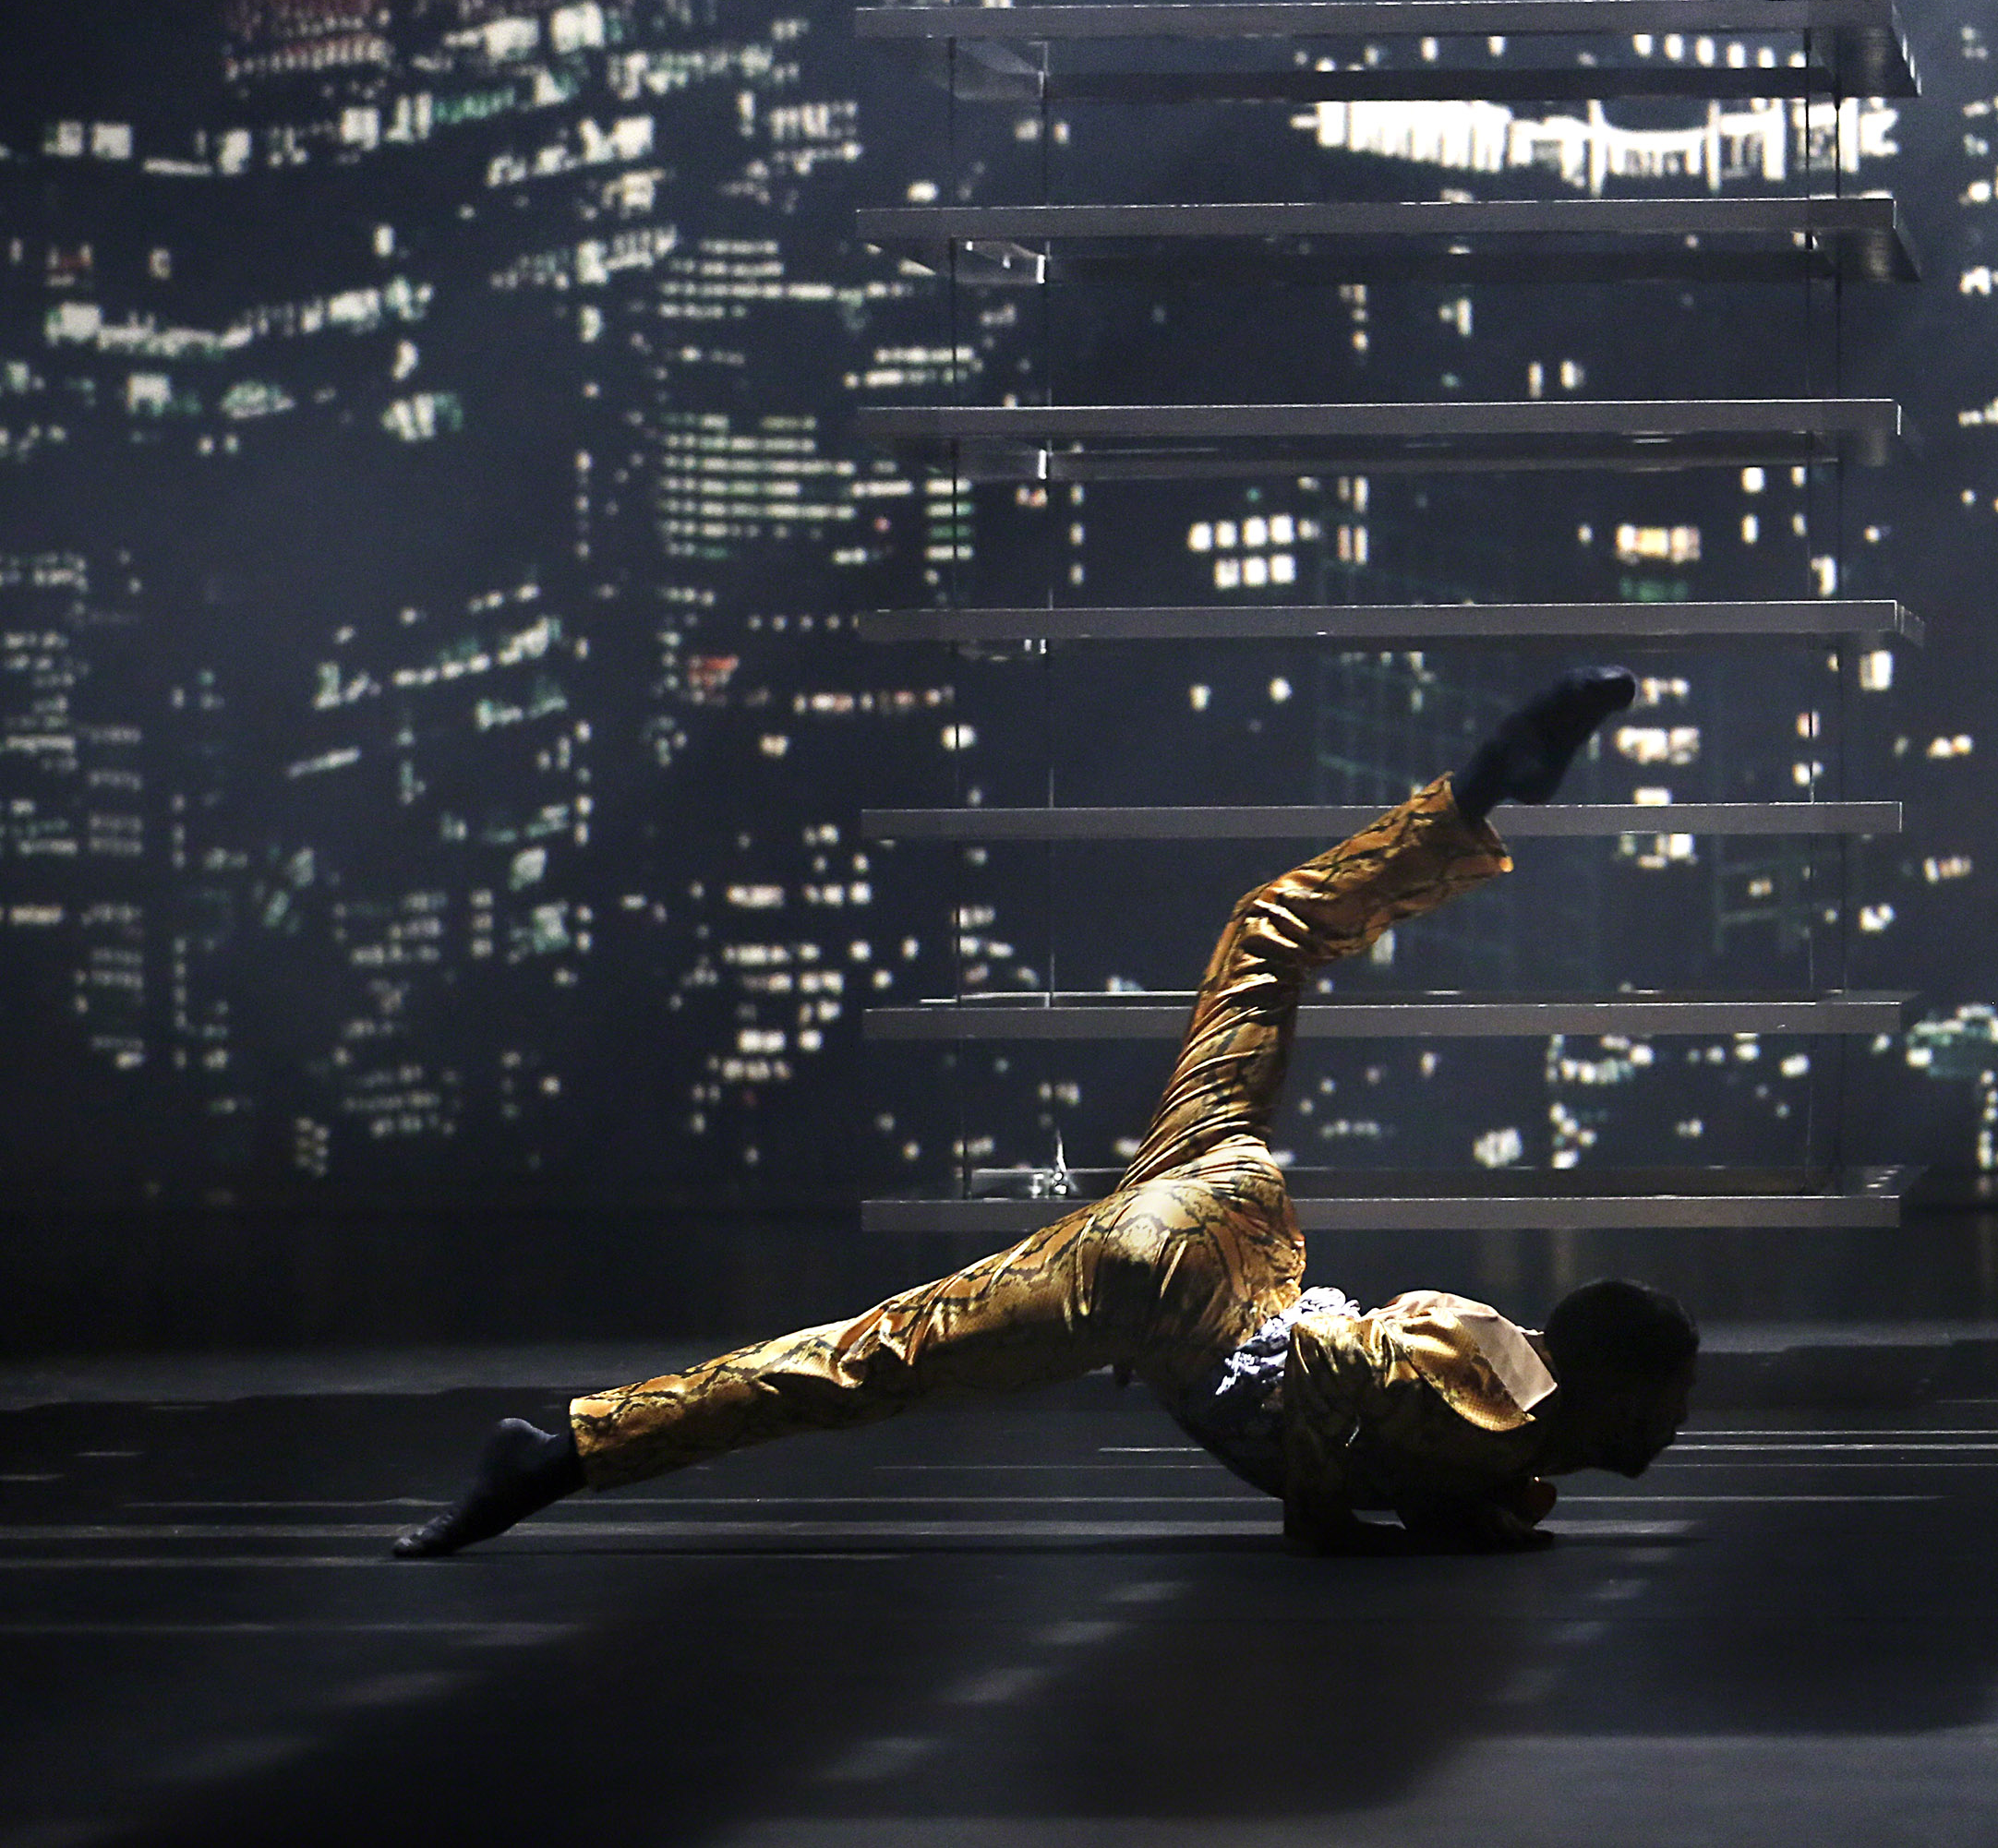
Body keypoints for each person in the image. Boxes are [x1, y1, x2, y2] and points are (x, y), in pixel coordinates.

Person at [394, 667, 1701, 1559]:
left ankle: (1472, 799)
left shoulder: (1511, 1396)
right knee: (867, 1360)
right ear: (1621, 1397)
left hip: (1231, 1219)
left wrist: (1443, 1512)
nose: (1677, 1427)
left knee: (1267, 933)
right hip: (1176, 1288)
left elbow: (1386, 1403)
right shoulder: (1498, 1408)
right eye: (1670, 1405)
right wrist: (1324, 1522)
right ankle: (557, 1455)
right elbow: (1322, 1370)